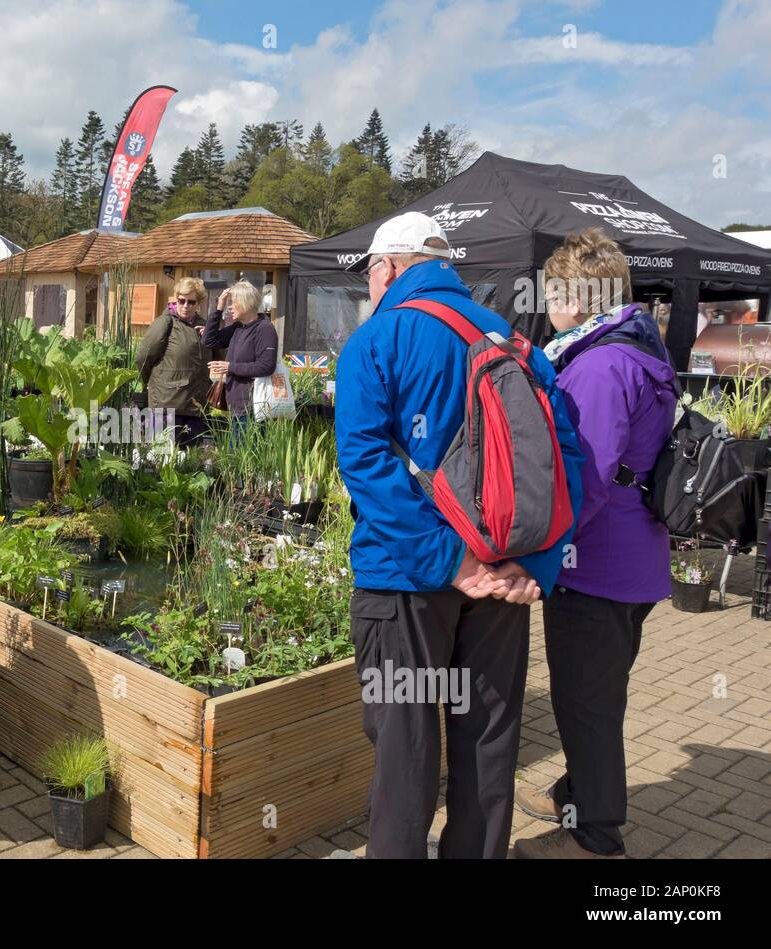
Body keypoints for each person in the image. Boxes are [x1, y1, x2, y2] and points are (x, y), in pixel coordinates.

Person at [334, 211, 583, 859]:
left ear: (387, 267)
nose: (369, 284)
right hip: (502, 577)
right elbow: (567, 457)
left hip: (406, 579)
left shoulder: (378, 339)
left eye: (369, 273)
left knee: (404, 748)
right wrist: (540, 561)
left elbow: (365, 461)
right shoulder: (512, 339)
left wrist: (449, 559)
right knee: (489, 740)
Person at [513, 230, 677, 859]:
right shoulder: (636, 348)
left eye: (553, 291)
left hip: (598, 566)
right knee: (597, 692)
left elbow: (585, 479)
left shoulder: (602, 365)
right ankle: (570, 791)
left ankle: (595, 837)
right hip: (631, 562)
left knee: (586, 704)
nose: (547, 301)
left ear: (578, 298)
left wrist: (536, 551)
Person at [136, 277, 214, 445]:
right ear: (176, 299)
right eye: (181, 300)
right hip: (166, 404)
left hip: (195, 405)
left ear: (198, 303)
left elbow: (219, 357)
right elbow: (143, 358)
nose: (186, 305)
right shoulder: (165, 323)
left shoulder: (203, 326)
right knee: (159, 457)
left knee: (189, 463)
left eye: (191, 302)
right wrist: (149, 383)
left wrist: (211, 336)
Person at [202, 280, 278, 435]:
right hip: (236, 407)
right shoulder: (239, 327)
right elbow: (209, 340)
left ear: (245, 303)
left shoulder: (264, 328)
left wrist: (229, 367)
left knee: (244, 455)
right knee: (235, 456)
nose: (229, 307)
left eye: (233, 302)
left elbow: (266, 366)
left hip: (252, 408)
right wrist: (218, 307)